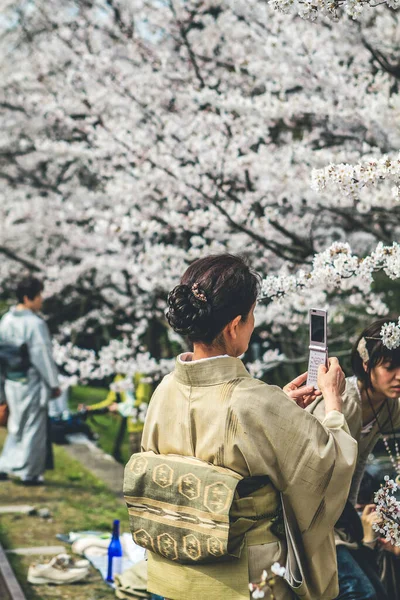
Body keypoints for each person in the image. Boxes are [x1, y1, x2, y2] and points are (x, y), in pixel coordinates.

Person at [138, 254, 357, 600]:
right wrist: (332, 401)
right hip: (240, 576)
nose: (253, 324)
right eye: (252, 316)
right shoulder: (254, 401)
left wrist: (280, 405)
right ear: (233, 325)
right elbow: (327, 463)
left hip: (170, 570)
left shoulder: (164, 390)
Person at [307, 318, 400, 600]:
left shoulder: (390, 404)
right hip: (310, 517)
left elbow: (356, 468)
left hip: (343, 518)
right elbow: (313, 465)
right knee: (361, 593)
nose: (399, 376)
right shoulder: (342, 400)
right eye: (389, 367)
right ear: (365, 365)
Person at [0, 276, 60, 485]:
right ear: (28, 298)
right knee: (34, 425)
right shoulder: (35, 324)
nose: (41, 300)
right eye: (39, 295)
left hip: (11, 380)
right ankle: (30, 472)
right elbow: (42, 356)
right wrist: (53, 383)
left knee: (16, 424)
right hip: (31, 381)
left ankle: (6, 463)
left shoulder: (6, 320)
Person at [79, 372, 153, 456]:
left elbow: (142, 402)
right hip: (132, 426)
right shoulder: (118, 377)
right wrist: (91, 408)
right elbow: (110, 400)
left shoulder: (140, 376)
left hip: (144, 426)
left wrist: (119, 407)